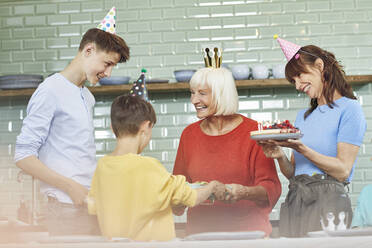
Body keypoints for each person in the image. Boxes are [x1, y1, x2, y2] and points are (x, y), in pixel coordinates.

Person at [14, 7, 130, 235]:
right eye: (107, 63)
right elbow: (23, 156)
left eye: (113, 66)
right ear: (88, 50)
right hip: (65, 207)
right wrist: (70, 187)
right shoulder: (50, 90)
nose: (108, 72)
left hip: (89, 204)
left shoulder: (87, 96)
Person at [258, 38, 367, 237]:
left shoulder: (350, 109)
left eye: (300, 76)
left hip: (329, 203)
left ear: (319, 66)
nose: (298, 85)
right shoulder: (303, 117)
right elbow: (294, 173)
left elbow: (343, 171)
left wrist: (302, 149)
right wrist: (280, 155)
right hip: (297, 199)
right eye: (294, 81)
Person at [87, 95, 225, 241]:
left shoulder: (102, 166)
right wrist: (212, 187)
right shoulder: (148, 166)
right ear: (146, 127)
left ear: (112, 128)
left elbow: (94, 208)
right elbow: (190, 196)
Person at [172, 65, 282, 236]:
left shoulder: (254, 132)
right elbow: (178, 189)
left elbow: (271, 189)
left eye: (202, 93)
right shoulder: (189, 135)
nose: (194, 100)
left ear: (221, 94)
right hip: (200, 237)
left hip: (247, 236)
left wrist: (243, 192)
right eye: (192, 93)